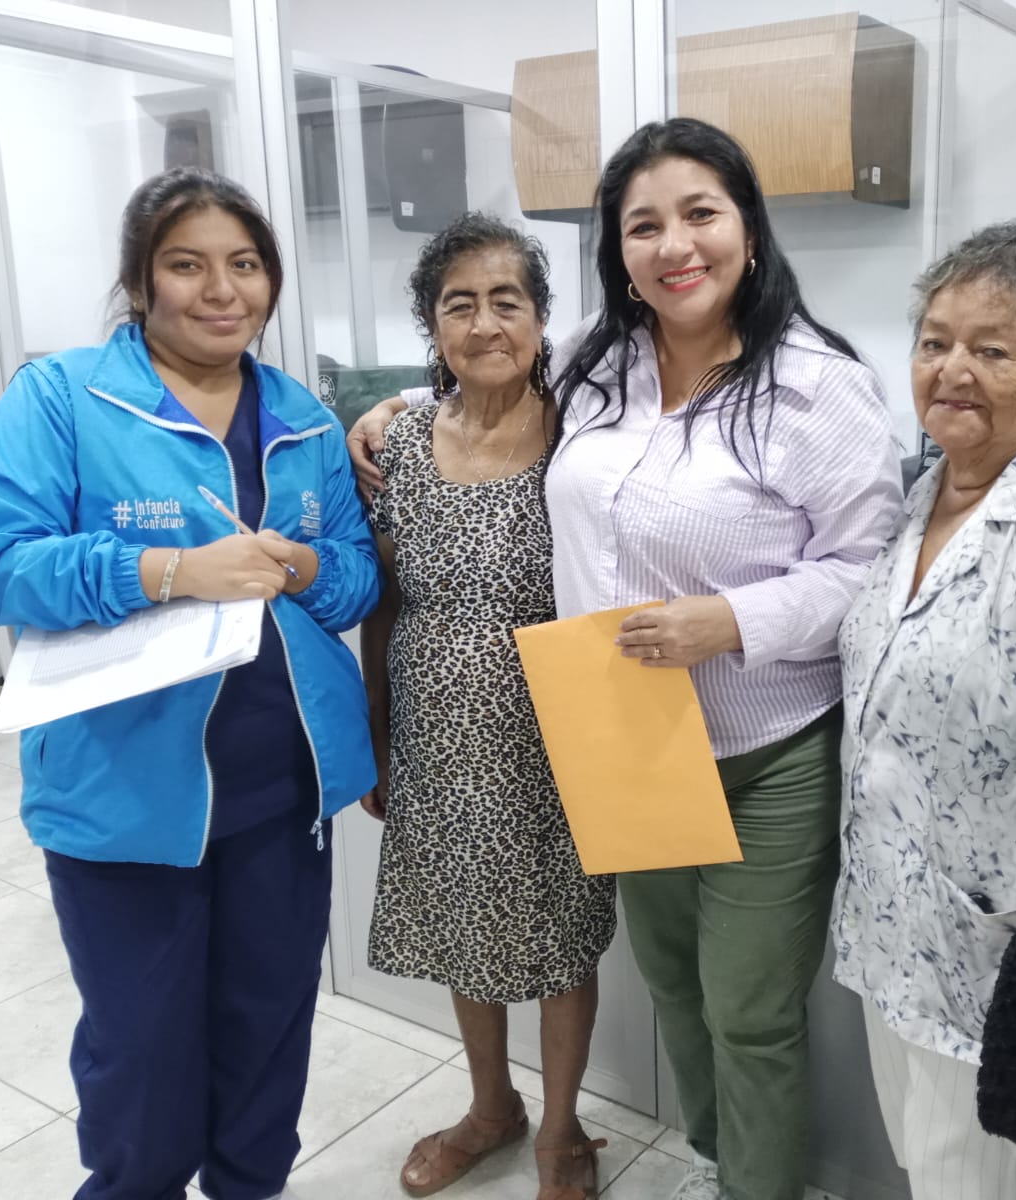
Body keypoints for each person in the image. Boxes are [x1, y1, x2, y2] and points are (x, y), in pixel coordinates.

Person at [349, 117, 902, 1200]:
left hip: (762, 747)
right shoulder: (603, 363)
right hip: (625, 740)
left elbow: (866, 569)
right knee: (677, 993)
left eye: (700, 214)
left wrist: (730, 620)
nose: (673, 245)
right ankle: (720, 1164)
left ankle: (755, 1189)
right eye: (643, 225)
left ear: (748, 228)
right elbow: (491, 375)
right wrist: (399, 405)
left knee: (748, 1009)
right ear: (618, 249)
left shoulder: (818, 384)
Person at [0, 167, 380, 1200]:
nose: (221, 290)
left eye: (245, 265)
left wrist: (307, 567)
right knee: (142, 1064)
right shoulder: (62, 398)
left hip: (281, 794)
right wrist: (169, 571)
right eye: (187, 265)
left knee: (267, 1040)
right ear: (141, 280)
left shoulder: (302, 416)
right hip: (123, 798)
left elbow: (357, 576)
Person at [833, 219, 1016, 1200]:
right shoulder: (922, 495)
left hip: (995, 965)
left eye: (992, 350)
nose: (952, 369)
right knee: (924, 1167)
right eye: (935, 342)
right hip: (893, 936)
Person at [358, 212, 616, 1200]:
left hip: (555, 734)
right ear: (432, 327)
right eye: (458, 305)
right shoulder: (401, 441)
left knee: (559, 938)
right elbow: (384, 596)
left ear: (543, 319)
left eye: (506, 301)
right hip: (436, 733)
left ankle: (560, 1130)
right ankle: (490, 1107)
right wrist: (378, 734)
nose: (484, 323)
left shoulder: (584, 435)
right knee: (465, 922)